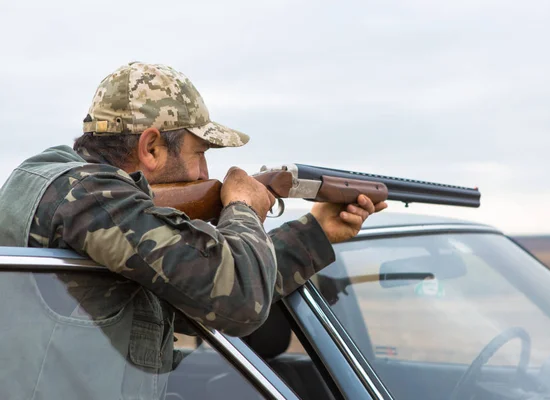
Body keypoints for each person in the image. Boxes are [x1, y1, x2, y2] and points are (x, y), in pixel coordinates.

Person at [0, 61, 387, 399]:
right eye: (199, 153)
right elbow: (239, 302)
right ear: (151, 147)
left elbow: (201, 288)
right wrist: (243, 207)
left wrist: (316, 232)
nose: (205, 174)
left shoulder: (70, 192)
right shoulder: (92, 200)